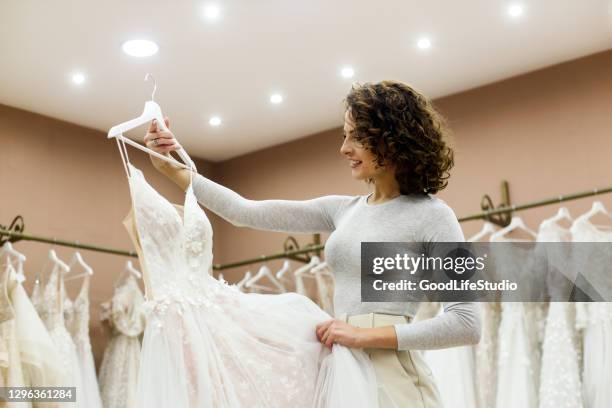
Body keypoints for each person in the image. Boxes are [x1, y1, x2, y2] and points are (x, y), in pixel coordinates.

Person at [143, 80, 481, 408]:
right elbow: (244, 212)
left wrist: (364, 336)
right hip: (343, 365)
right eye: (344, 136)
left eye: (356, 137)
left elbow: (465, 323)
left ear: (392, 141)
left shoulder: (434, 216)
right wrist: (174, 167)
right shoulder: (343, 210)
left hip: (393, 380)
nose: (344, 149)